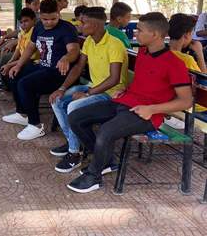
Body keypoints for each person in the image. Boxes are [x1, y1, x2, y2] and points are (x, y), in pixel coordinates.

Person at [66, 12, 193, 193]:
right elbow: (145, 81)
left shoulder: (175, 63)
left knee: (105, 131)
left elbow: (186, 101)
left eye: (139, 30)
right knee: (76, 117)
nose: (135, 33)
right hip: (125, 101)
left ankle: (94, 177)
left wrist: (152, 109)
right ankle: (105, 160)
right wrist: (126, 90)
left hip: (147, 114)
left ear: (155, 34)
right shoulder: (143, 52)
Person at [48, 7, 128, 173]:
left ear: (95, 25)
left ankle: (74, 153)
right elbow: (78, 67)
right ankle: (74, 143)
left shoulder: (114, 45)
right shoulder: (90, 41)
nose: (79, 25)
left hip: (111, 94)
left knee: (73, 106)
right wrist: (62, 88)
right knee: (57, 100)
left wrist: (87, 94)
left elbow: (114, 79)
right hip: (94, 87)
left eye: (83, 23)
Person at [2, 0, 80, 140]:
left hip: (58, 72)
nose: (49, 22)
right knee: (13, 74)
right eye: (45, 19)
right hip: (42, 67)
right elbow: (30, 47)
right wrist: (18, 65)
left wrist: (66, 58)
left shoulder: (67, 28)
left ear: (58, 14)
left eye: (53, 19)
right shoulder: (38, 27)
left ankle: (36, 125)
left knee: (25, 84)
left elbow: (74, 50)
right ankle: (22, 114)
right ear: (40, 15)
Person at [164, 13, 207, 129]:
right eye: (192, 33)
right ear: (187, 35)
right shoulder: (186, 59)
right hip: (195, 106)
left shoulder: (159, 52)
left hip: (168, 99)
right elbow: (204, 82)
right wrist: (200, 54)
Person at [0, 8, 39, 99]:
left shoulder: (34, 33)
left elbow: (28, 58)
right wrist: (11, 61)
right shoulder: (23, 32)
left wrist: (10, 64)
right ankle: (9, 88)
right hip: (22, 60)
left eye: (26, 21)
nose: (23, 24)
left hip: (33, 62)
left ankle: (19, 95)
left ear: (34, 20)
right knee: (6, 65)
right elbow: (18, 48)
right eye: (21, 22)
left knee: (12, 72)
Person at [0, 0, 40, 64]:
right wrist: (4, 37)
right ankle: (3, 66)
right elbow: (19, 31)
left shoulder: (40, 18)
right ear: (27, 5)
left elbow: (31, 37)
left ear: (33, 20)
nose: (38, 7)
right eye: (35, 4)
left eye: (38, 4)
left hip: (26, 44)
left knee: (5, 51)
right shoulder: (22, 15)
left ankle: (6, 64)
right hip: (20, 40)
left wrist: (14, 42)